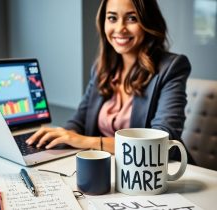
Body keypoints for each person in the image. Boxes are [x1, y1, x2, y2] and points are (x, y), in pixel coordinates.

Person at [26, 0, 191, 157]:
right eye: (112, 18)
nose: (120, 28)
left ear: (149, 22)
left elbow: (164, 142)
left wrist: (86, 141)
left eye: (132, 18)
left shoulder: (172, 67)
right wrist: (58, 138)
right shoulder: (102, 68)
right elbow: (79, 122)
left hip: (155, 174)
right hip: (106, 168)